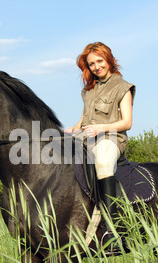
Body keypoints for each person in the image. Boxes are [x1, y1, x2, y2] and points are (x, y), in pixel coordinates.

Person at [65, 42, 136, 250]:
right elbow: (84, 120)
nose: (96, 67)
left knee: (104, 160)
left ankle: (112, 229)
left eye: (99, 61)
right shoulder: (89, 90)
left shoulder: (123, 88)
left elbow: (127, 122)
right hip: (87, 137)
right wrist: (71, 130)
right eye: (92, 64)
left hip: (111, 138)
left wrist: (101, 128)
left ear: (108, 60)